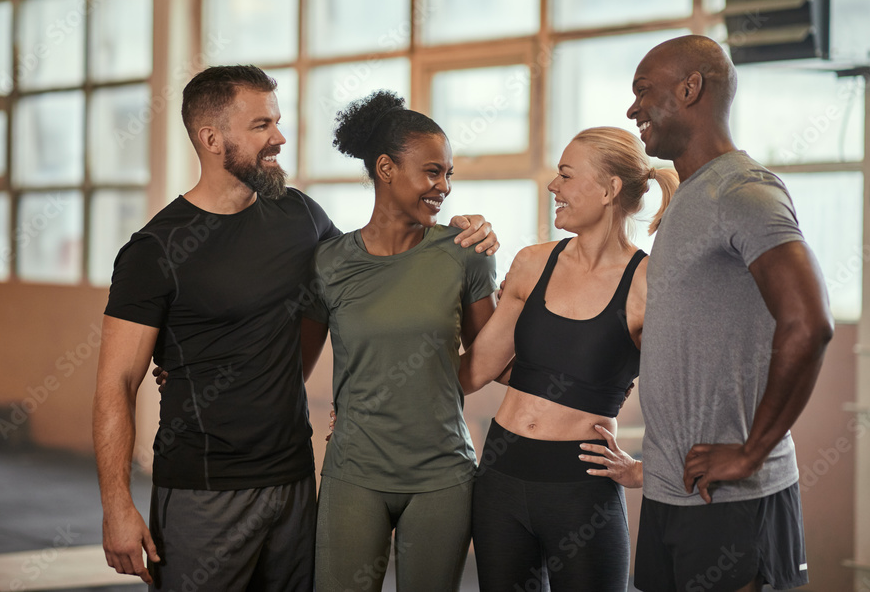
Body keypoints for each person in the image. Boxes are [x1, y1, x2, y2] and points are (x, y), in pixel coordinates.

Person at [92, 65, 497, 591]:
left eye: (277, 122)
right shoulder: (155, 250)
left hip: (294, 478)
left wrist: (467, 233)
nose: (279, 138)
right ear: (212, 138)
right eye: (261, 125)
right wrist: (116, 506)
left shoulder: (300, 217)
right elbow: (115, 384)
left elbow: (374, 267)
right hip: (204, 488)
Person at [621, 34, 834, 592]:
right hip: (676, 495)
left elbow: (809, 323)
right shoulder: (689, 198)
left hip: (734, 501)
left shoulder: (743, 189)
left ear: (691, 89)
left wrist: (751, 452)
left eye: (644, 91)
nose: (632, 108)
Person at [458, 126, 678, 591]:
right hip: (500, 475)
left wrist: (646, 469)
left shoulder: (648, 283)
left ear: (609, 188)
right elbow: (474, 370)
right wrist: (455, 268)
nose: (553, 186)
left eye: (565, 175)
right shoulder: (532, 263)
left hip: (580, 489)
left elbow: (680, 397)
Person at [308, 90, 498, 592]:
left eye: (449, 173)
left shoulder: (466, 254)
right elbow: (291, 364)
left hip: (443, 475)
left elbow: (495, 359)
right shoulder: (329, 263)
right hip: (354, 471)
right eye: (433, 171)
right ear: (386, 169)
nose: (445, 187)